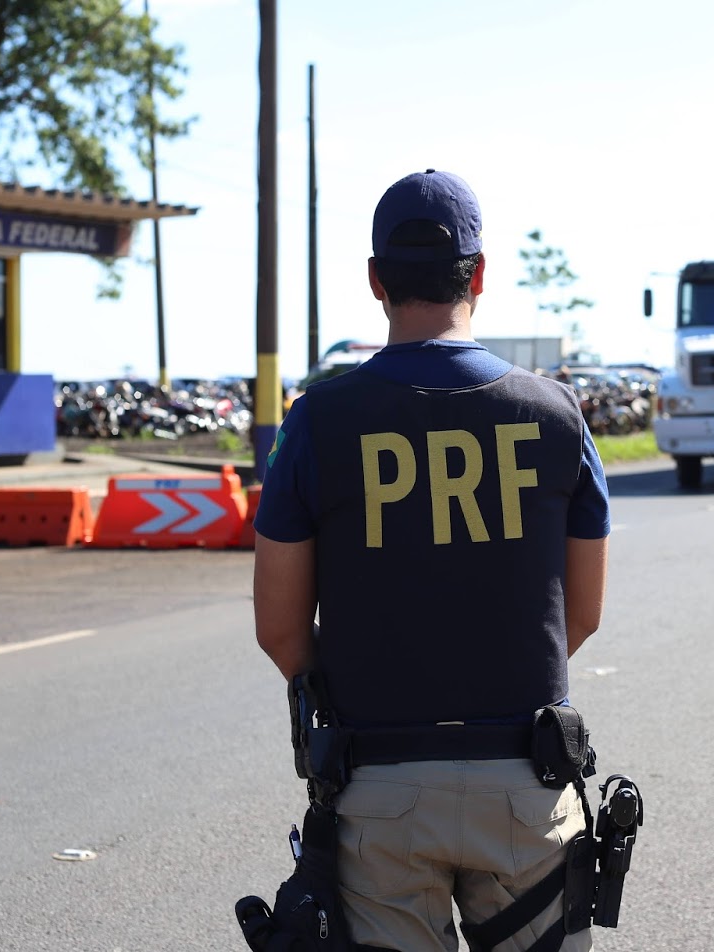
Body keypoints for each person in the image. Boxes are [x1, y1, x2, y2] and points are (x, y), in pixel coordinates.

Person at [253, 169, 611, 952]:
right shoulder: (556, 415)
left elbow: (280, 629)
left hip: (378, 792)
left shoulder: (318, 422)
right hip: (526, 783)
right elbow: (580, 616)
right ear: (479, 275)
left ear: (375, 280)